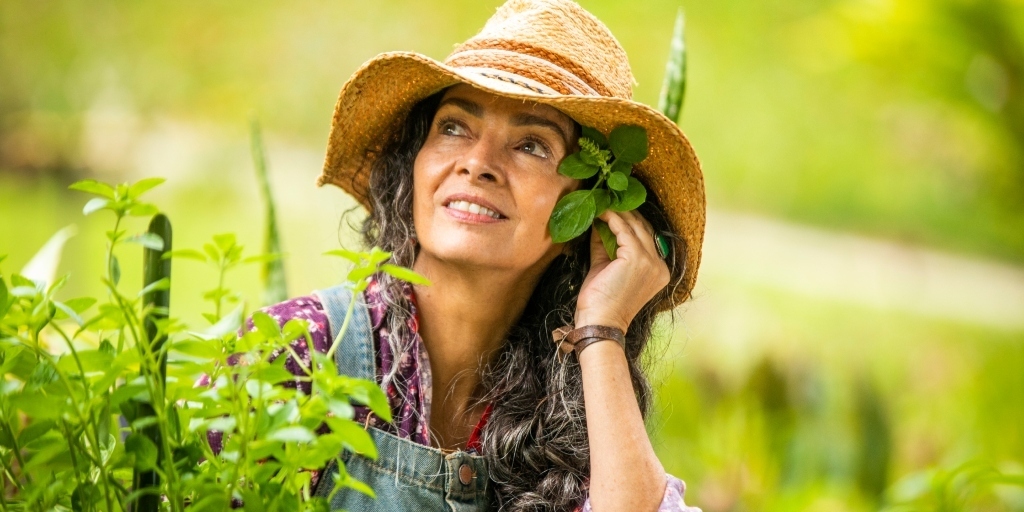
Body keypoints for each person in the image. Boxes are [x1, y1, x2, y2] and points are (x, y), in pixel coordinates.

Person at [237, 0, 706, 510]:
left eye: (531, 145)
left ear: (588, 213)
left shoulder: (575, 411)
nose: (478, 164)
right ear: (413, 163)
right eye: (454, 127)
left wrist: (602, 331)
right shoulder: (299, 351)